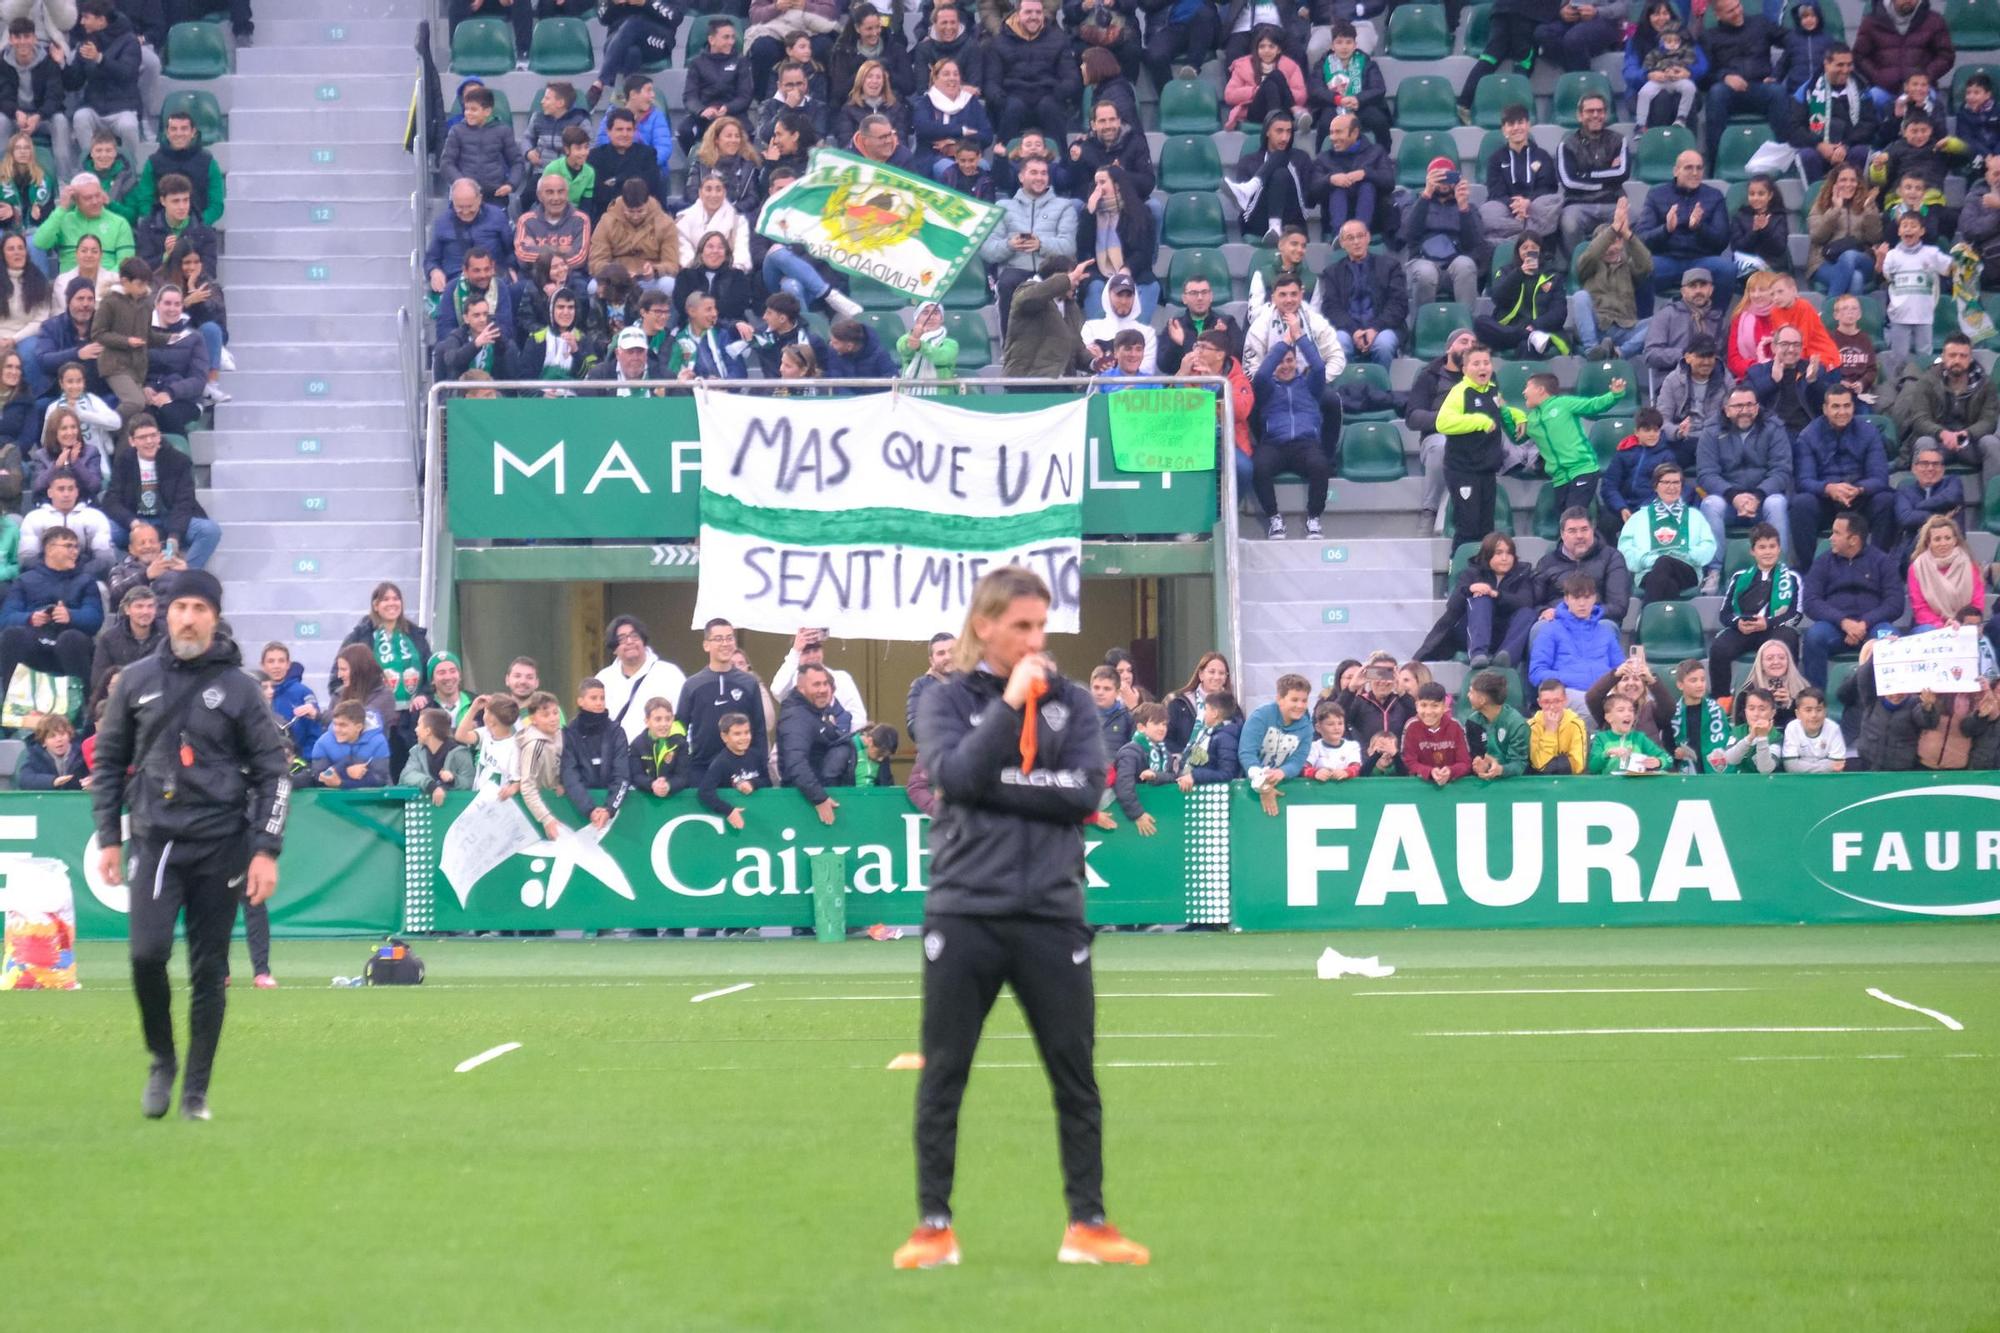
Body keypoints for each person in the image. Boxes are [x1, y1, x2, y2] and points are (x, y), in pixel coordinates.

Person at [896, 566, 1145, 1270]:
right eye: (1023, 627)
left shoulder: (1074, 703)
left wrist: (1001, 785)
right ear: (986, 626)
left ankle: (1087, 1224)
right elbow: (955, 777)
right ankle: (933, 1227)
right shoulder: (943, 699)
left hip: (1051, 911)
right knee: (945, 1073)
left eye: (1043, 626)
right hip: (964, 907)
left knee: (1075, 1074)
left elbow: (1086, 792)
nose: (1038, 640)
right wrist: (1009, 708)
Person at [91, 569, 286, 1121]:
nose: (188, 618)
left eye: (200, 608)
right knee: (145, 955)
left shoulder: (241, 687)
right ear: (165, 613)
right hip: (156, 841)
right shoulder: (134, 679)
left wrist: (265, 848)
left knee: (209, 970)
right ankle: (162, 1058)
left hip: (220, 844)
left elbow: (275, 772)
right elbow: (108, 762)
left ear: (215, 617)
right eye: (180, 608)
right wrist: (109, 836)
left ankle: (196, 1091)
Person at [1697, 386, 1795, 584]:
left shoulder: (1773, 428)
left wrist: (1758, 496)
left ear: (1757, 408)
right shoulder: (1711, 431)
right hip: (1728, 502)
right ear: (1726, 409)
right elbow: (1706, 474)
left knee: (1777, 503)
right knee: (1710, 504)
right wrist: (1734, 496)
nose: (1745, 410)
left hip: (1763, 499)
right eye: (1738, 406)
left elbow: (1781, 470)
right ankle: (1714, 572)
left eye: (1750, 405)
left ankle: (1779, 570)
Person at [1791, 384, 1894, 570]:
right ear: (1825, 409)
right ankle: (1807, 570)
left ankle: (1879, 566)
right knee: (1801, 504)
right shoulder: (1808, 436)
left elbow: (1880, 477)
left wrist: (1859, 489)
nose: (1842, 412)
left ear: (1853, 407)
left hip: (1860, 499)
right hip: (1826, 501)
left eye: (1847, 406)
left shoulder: (1869, 433)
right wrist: (1829, 489)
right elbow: (1804, 481)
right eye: (1836, 407)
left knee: (1886, 500)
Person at [1249, 311, 1330, 541]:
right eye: (1281, 361)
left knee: (1320, 464)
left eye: (1290, 360)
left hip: (1306, 444)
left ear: (1296, 361)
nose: (1285, 365)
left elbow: (1319, 367)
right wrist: (1284, 343)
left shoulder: (1310, 385)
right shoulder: (1266, 386)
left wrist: (1298, 336)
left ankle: (1313, 519)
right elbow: (1263, 372)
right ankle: (1274, 519)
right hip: (1274, 444)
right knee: (1259, 466)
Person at [1436, 342, 1524, 550]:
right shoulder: (1460, 392)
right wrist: (1479, 421)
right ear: (1465, 370)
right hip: (1463, 470)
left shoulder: (1492, 388)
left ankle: (1483, 573)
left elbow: (1501, 406)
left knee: (1487, 530)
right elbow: (1442, 422)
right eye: (1476, 364)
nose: (1482, 367)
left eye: (1486, 363)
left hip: (1487, 469)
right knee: (1468, 527)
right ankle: (1457, 569)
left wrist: (1517, 415)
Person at [1799, 510, 1904, 684]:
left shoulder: (1882, 561)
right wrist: (1843, 622)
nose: (1831, 538)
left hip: (1872, 626)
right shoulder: (1823, 562)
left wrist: (1864, 623)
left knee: (1891, 637)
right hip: (1835, 628)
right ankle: (1816, 700)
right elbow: (1810, 601)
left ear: (1853, 540)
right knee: (1813, 637)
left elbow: (1895, 603)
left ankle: (1884, 702)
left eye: (1837, 533)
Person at [1416, 531, 1537, 669]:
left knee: (1528, 613)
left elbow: (1526, 602)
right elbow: (1453, 606)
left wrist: (1496, 595)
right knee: (1481, 599)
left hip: (1503, 633)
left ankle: (1506, 657)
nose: (1505, 558)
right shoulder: (1472, 573)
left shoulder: (1522, 575)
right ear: (1488, 555)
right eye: (1498, 553)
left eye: (1509, 553)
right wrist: (1471, 589)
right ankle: (1478, 654)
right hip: (1471, 632)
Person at [981, 157, 1075, 332]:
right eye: (1033, 172)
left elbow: (1069, 246)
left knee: (1060, 282)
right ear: (1021, 177)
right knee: (1006, 283)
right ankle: (1009, 351)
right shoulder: (1003, 207)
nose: (1039, 177)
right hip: (1015, 269)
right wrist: (1010, 245)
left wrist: (1041, 244)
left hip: (1050, 269)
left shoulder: (1064, 206)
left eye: (1044, 173)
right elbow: (987, 250)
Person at [0, 521, 99, 686]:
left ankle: (84, 704)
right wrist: (30, 618)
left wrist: (71, 616)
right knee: (13, 635)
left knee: (71, 638)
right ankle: (10, 703)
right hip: (35, 642)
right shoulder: (25, 580)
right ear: (50, 549)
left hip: (70, 641)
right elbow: (6, 618)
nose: (75, 552)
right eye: (68, 546)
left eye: (76, 547)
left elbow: (95, 618)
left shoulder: (86, 581)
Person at [1710, 521, 1805, 689]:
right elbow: (1725, 614)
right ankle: (1722, 701)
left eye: (1772, 546)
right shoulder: (1739, 577)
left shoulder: (1791, 578)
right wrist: (1738, 623)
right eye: (1762, 547)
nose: (1768, 551)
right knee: (1719, 648)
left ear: (1779, 549)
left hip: (1775, 630)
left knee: (1789, 637)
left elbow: (1795, 616)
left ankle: (1786, 694)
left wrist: (1767, 623)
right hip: (1743, 631)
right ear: (1752, 551)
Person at [1892, 333, 2000, 480]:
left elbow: (1989, 421)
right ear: (1943, 356)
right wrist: (1942, 434)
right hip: (1939, 442)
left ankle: (1993, 500)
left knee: (1992, 443)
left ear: (1970, 358)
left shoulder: (1985, 384)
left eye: (1963, 356)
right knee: (1924, 442)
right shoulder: (1927, 381)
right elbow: (1919, 419)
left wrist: (1967, 434)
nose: (1957, 360)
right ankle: (1922, 500)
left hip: (1970, 442)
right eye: (1952, 355)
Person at [1638, 149, 1734, 301]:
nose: (1695, 173)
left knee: (1727, 269)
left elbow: (1722, 241)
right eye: (1689, 167)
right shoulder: (1656, 195)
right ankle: (1645, 323)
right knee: (1639, 269)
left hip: (1702, 260)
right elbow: (1642, 239)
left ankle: (1715, 321)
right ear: (1676, 171)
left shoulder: (1714, 196)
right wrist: (1666, 229)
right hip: (1666, 259)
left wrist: (1699, 227)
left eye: (1699, 168)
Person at [677, 618, 770, 773]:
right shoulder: (692, 685)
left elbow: (759, 729)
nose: (725, 643)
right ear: (706, 645)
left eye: (729, 638)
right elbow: (679, 729)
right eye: (718, 639)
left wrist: (759, 767)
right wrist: (683, 767)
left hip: (742, 770)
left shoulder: (749, 683)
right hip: (701, 770)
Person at [1617, 461, 1718, 604]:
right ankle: (1667, 620)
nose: (1671, 487)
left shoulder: (1695, 516)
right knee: (1668, 583)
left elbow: (1709, 546)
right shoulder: (1638, 517)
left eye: (1676, 482)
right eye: (1666, 482)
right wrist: (1647, 560)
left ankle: (1645, 617)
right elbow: (1625, 549)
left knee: (1664, 561)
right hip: (1648, 571)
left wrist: (1686, 554)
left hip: (1687, 570)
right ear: (1655, 486)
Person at [1701, 0, 1789, 161]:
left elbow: (1792, 42)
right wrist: (1724, 77)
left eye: (1738, 6)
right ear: (1718, 15)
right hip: (1728, 93)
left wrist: (1778, 74)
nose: (1737, 12)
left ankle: (1783, 159)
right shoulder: (1709, 36)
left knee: (1778, 91)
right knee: (1716, 93)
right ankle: (1716, 163)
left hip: (1761, 87)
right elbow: (1702, 77)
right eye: (1730, 11)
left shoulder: (1760, 23)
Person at [1408, 327, 1475, 537]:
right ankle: (1430, 511)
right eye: (1464, 341)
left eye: (1474, 344)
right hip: (1437, 437)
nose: (1470, 346)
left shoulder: (1482, 377)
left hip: (1472, 438)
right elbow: (1413, 417)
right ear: (1449, 348)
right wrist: (1448, 421)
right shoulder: (1430, 375)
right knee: (1442, 447)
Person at [1529, 572, 1625, 714]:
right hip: (1569, 693)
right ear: (1566, 599)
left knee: (1642, 704)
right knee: (1593, 709)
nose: (1582, 603)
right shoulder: (1550, 629)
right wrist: (1574, 680)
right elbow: (1537, 673)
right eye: (1576, 597)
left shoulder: (1606, 631)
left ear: (1594, 599)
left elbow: (1620, 669)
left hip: (1607, 693)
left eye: (1587, 598)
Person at [1320, 219, 1404, 369]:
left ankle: (1381, 391)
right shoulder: (1332, 272)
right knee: (1339, 343)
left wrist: (1375, 328)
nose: (1356, 242)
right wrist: (1354, 331)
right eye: (1350, 238)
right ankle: (1346, 390)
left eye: (1360, 236)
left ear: (1368, 238)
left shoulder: (1390, 267)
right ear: (1342, 243)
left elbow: (1398, 304)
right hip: (1347, 329)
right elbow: (1331, 308)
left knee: (1384, 345)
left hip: (1382, 328)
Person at [1402, 157, 1481, 309]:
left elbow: (1472, 244)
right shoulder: (1416, 204)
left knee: (1466, 265)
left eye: (1448, 176)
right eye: (1438, 176)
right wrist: (1426, 194)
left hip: (1455, 261)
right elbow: (1409, 234)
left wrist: (1463, 207)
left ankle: (1467, 326)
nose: (1444, 181)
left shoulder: (1468, 206)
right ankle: (1422, 325)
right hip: (1423, 259)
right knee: (1426, 273)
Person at [1853, 0, 1954, 115]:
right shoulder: (1871, 22)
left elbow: (1946, 55)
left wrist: (1925, 77)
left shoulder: (1934, 21)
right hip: (1884, 88)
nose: (1909, 1)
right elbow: (1859, 56)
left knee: (1931, 99)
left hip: (1921, 87)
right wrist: (1877, 76)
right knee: (1872, 99)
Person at [1558, 94, 1630, 254]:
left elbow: (1623, 173)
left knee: (1636, 218)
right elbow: (1569, 182)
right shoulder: (1567, 144)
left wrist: (1584, 175)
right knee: (1569, 223)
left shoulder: (1618, 140)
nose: (1596, 115)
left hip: (1612, 202)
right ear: (1580, 115)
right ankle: (1580, 267)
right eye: (1590, 111)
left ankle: (1622, 269)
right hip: (1578, 204)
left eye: (1600, 110)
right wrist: (1609, 177)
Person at [596, 615, 686, 742]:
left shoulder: (670, 674)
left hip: (658, 756)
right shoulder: (603, 679)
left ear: (643, 640)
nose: (629, 642)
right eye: (622, 639)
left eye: (634, 636)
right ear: (614, 648)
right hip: (616, 758)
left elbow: (684, 719)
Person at [1481, 104, 1561, 246]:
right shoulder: (1495, 159)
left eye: (1520, 122)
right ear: (1504, 129)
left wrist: (1528, 202)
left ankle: (1511, 240)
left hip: (1534, 207)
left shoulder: (1542, 155)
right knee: (1487, 211)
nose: (1516, 128)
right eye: (1511, 124)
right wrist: (1515, 205)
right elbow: (1495, 192)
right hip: (1509, 210)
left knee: (1553, 202)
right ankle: (1528, 236)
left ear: (1528, 125)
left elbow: (1549, 188)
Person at [1003, 257, 1093, 380]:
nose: (1076, 283)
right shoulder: (1027, 291)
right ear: (1055, 277)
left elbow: (1075, 348)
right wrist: (1066, 280)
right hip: (1027, 384)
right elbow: (1027, 300)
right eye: (1072, 277)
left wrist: (1094, 363)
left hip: (1063, 386)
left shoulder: (1071, 307)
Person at [560, 679, 632, 828]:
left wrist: (610, 808)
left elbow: (622, 774)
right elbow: (570, 776)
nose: (599, 703)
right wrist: (589, 809)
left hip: (614, 812)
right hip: (579, 814)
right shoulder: (570, 733)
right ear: (580, 701)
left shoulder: (616, 732)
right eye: (593, 698)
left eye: (602, 698)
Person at [1807, 163, 1883, 297]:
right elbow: (1817, 236)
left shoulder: (1868, 204)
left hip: (1861, 259)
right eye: (1843, 180)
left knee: (1849, 256)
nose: (1848, 184)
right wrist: (1835, 210)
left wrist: (1869, 213)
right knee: (1856, 278)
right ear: (1834, 183)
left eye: (1853, 180)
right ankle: (1849, 316)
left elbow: (1875, 238)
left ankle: (1828, 312)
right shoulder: (1821, 204)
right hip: (1825, 262)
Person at [1239, 672, 1313, 806]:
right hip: (1247, 787)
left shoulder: (1307, 728)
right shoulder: (1260, 716)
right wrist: (1264, 785)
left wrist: (1282, 772)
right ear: (1280, 699)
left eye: (1304, 700)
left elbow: (1297, 761)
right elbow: (1247, 753)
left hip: (1283, 788)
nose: (1300, 706)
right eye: (1294, 700)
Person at [1313, 114, 1391, 235]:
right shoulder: (1324, 158)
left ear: (1354, 133)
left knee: (1367, 185)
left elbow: (1389, 182)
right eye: (1331, 133)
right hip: (1333, 215)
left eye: (1338, 132)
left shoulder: (1376, 152)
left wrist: (1366, 173)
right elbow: (1311, 193)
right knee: (1337, 188)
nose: (1333, 137)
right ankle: (1339, 236)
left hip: (1373, 219)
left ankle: (1360, 233)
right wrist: (1330, 179)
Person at [1891, 444, 1963, 564]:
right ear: (1914, 468)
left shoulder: (1952, 482)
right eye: (1924, 464)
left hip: (1951, 550)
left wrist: (1917, 507)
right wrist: (1940, 517)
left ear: (1943, 469)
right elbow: (1906, 518)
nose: (1930, 468)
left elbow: (1951, 498)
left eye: (1935, 464)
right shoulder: (1904, 490)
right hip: (1912, 552)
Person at [1907, 515, 1983, 628]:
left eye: (1948, 538)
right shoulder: (1917, 568)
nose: (1943, 543)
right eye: (1937, 539)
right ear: (1929, 542)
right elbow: (1920, 608)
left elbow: (1977, 603)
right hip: (1930, 626)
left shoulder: (1970, 566)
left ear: (1955, 540)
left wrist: (1959, 623)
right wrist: (1941, 625)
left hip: (1964, 624)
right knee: (1927, 629)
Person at [87, 582, 154, 710]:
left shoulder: (166, 636)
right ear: (127, 609)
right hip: (119, 700)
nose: (146, 611)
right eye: (139, 606)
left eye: (150, 606)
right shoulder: (109, 639)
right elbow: (99, 681)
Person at [1157, 275, 1239, 376]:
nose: (1200, 298)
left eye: (1204, 292)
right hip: (1185, 387)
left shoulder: (1227, 322)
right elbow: (1164, 366)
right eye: (1193, 293)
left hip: (1220, 384)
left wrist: (1222, 339)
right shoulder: (1175, 325)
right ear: (1184, 298)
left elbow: (1239, 358)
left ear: (1211, 296)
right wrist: (1176, 345)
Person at [1401, 682, 1470, 787]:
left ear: (1444, 707)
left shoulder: (1455, 726)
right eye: (1423, 705)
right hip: (1421, 787)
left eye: (1435, 706)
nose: (1428, 712)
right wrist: (1429, 772)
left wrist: (1450, 771)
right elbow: (1408, 762)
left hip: (1452, 787)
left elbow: (1465, 762)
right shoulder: (1411, 727)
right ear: (1416, 705)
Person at [1668, 659, 1732, 772]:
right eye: (1693, 680)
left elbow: (1726, 746)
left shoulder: (1716, 710)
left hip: (1713, 778)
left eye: (1703, 680)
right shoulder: (1673, 713)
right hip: (1685, 777)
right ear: (1680, 685)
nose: (1700, 684)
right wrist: (1675, 753)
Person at [309, 700, 391, 789]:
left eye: (342, 725)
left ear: (358, 727)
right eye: (335, 724)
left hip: (372, 798)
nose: (336, 729)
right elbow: (318, 777)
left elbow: (380, 779)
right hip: (333, 797)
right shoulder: (323, 743)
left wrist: (342, 783)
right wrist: (346, 772)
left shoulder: (378, 742)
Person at [1464, 671, 1530, 781]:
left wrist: (1501, 770)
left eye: (1471, 692)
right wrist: (1481, 766)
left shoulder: (1516, 724)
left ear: (1482, 700)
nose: (1467, 695)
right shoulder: (1473, 722)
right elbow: (1477, 757)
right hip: (1482, 784)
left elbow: (1519, 764)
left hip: (1513, 785)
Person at [1589, 691, 1669, 773]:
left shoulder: (1639, 738)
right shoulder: (1601, 738)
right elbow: (1593, 767)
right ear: (1609, 717)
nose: (1628, 714)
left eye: (1631, 710)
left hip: (1635, 785)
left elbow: (1668, 759)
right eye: (1621, 710)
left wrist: (1659, 762)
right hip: (1609, 784)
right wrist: (1607, 753)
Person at [1527, 675, 1589, 774]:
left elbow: (1578, 765)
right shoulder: (1532, 726)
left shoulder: (1576, 724)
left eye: (1557, 701)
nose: (1552, 707)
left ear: (1565, 700)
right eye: (1546, 702)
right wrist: (1550, 731)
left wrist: (1554, 765)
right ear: (1539, 703)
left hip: (1568, 780)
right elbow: (1539, 765)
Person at [1780, 686, 1846, 771]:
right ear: (1798, 714)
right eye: (1808, 710)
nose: (1814, 715)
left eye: (1819, 710)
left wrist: (1801, 764)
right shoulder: (1792, 728)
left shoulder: (1833, 728)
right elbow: (1790, 767)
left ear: (1825, 712)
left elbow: (1838, 765)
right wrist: (1826, 765)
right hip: (1800, 780)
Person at [18, 710, 87, 788]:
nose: (59, 739)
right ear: (43, 742)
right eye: (52, 736)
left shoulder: (83, 752)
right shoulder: (35, 755)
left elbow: (97, 774)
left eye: (62, 734)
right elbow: (24, 779)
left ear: (69, 735)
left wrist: (92, 781)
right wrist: (53, 781)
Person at [1722, 687, 1782, 772]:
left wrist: (1762, 737)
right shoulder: (1738, 731)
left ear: (1772, 713)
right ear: (1745, 711)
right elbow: (1731, 759)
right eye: (1751, 708)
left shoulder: (1777, 737)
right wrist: (1750, 737)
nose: (1756, 714)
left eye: (1762, 709)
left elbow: (1765, 769)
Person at [1299, 699, 1361, 781]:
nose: (1337, 728)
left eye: (1340, 723)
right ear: (1318, 728)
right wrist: (1316, 773)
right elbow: (1303, 768)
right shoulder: (1313, 747)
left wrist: (1346, 772)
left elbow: (1357, 768)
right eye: (1330, 724)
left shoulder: (1352, 746)